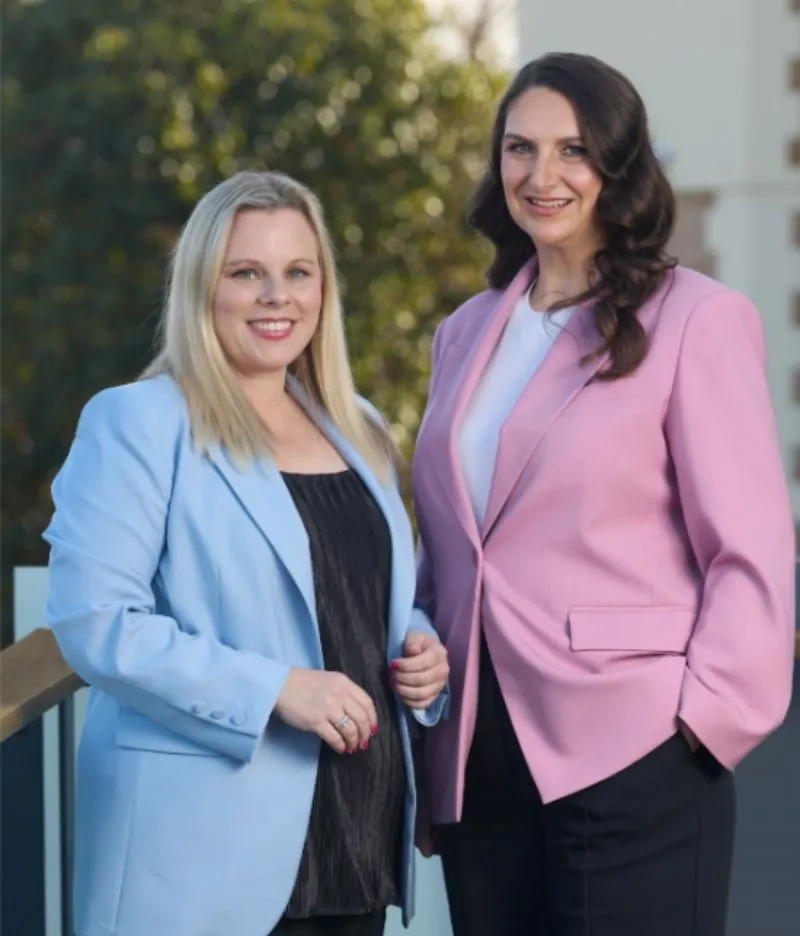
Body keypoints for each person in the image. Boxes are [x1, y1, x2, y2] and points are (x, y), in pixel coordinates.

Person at [411, 52, 796, 936]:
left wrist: (703, 724)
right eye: (519, 148)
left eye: (573, 150)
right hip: (480, 757)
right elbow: (450, 540)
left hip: (637, 748)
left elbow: (749, 547)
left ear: (618, 168)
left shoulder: (695, 317)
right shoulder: (465, 333)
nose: (540, 175)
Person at [44, 170, 449, 936]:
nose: (277, 296)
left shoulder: (355, 426)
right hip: (202, 860)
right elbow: (95, 622)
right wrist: (274, 691)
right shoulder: (138, 422)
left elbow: (356, 595)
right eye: (246, 274)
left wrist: (419, 647)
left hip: (355, 835)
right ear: (203, 287)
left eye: (298, 272)